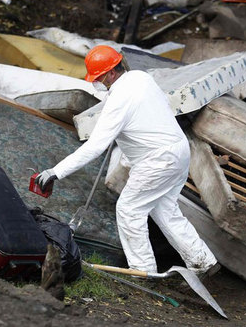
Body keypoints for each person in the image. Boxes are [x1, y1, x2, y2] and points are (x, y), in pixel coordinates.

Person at [36, 45, 218, 276]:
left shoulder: (119, 98)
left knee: (129, 209)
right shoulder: (142, 78)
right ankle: (203, 261)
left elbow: (95, 146)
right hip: (178, 152)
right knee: (165, 210)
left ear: (112, 72)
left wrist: (56, 171)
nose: (100, 83)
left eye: (100, 78)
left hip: (157, 160)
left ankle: (142, 270)